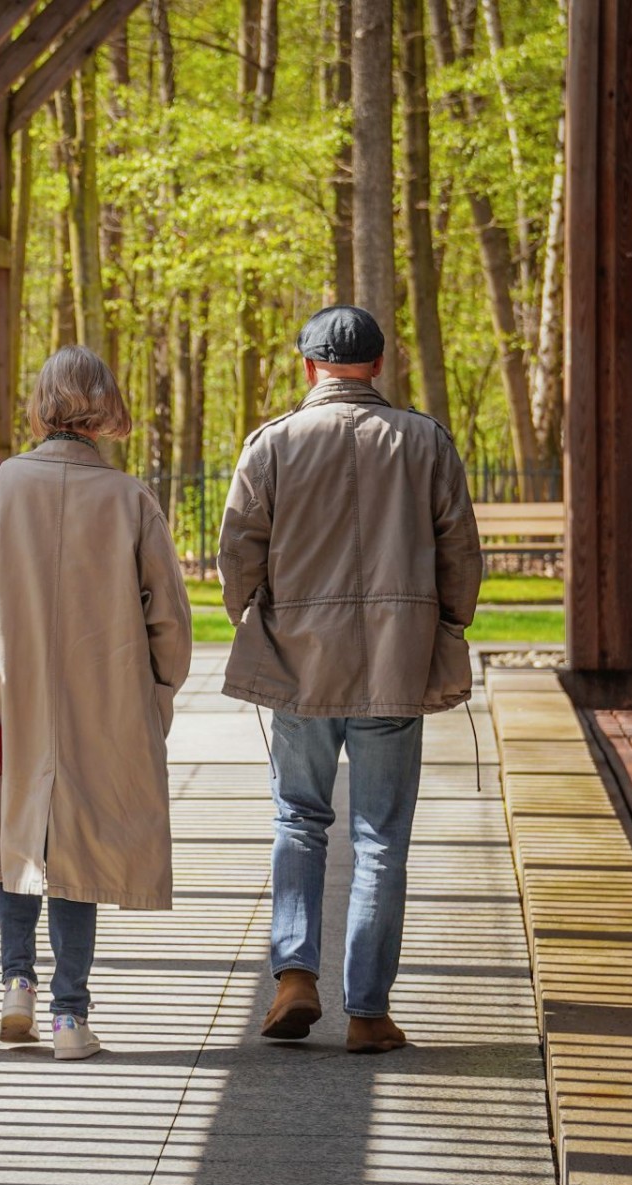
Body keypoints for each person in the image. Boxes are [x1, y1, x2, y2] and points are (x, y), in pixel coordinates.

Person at [218, 306, 482, 1055]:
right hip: (396, 662)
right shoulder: (425, 441)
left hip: (301, 663)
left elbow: (239, 549)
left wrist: (255, 619)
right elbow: (459, 549)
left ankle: (295, 973)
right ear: (378, 364)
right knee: (381, 839)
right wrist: (446, 625)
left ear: (308, 368)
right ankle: (368, 1011)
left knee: (299, 819)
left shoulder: (272, 444)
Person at [0, 345, 193, 1061]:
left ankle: (17, 983)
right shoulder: (131, 499)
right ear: (108, 406)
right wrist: (158, 694)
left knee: (19, 837)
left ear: (42, 403)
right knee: (80, 848)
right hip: (105, 699)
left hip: (6, 695)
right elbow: (169, 620)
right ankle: (72, 1016)